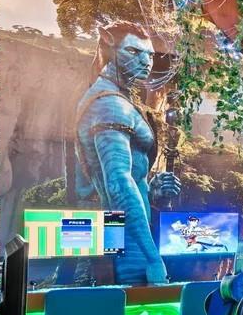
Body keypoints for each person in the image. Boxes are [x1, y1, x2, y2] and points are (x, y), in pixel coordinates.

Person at [74, 22, 180, 284]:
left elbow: (126, 176)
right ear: (109, 46)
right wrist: (153, 258)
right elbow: (118, 183)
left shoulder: (116, 99)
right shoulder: (109, 104)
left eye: (150, 55)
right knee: (127, 304)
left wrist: (151, 189)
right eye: (134, 51)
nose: (146, 62)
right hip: (119, 236)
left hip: (122, 232)